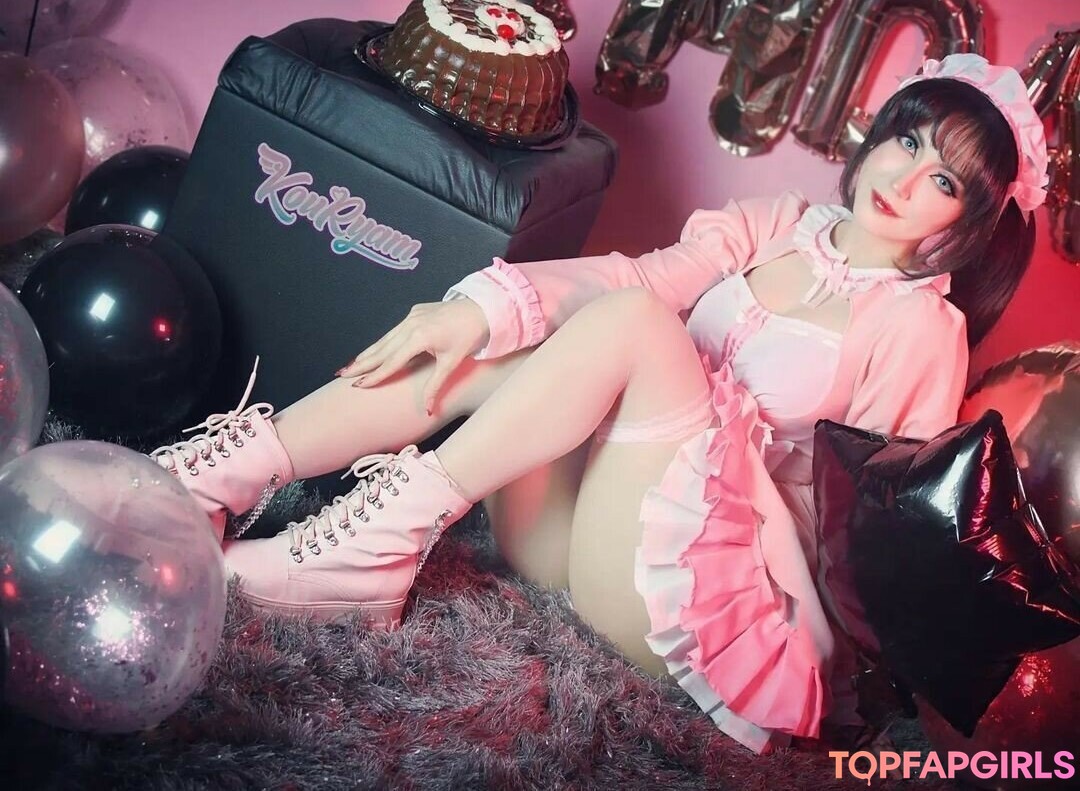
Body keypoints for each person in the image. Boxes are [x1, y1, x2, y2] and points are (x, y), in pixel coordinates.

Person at [149, 54, 1047, 754]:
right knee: (530, 328)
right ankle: (220, 475)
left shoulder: (919, 328)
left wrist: (740, 465)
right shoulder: (778, 223)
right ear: (879, 133)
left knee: (635, 327)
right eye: (910, 140)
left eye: (945, 181)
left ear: (964, 226)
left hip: (709, 615)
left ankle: (370, 549)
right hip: (583, 539)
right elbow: (639, 277)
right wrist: (476, 310)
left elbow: (872, 536)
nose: (907, 177)